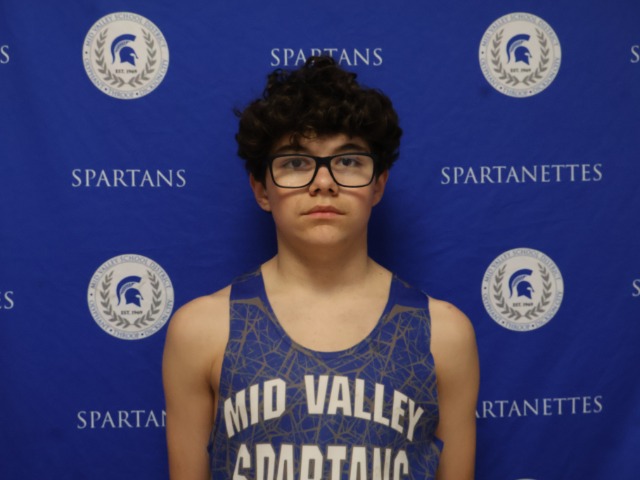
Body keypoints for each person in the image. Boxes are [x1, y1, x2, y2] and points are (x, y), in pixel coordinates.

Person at [162, 56, 479, 480]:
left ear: (378, 185)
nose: (323, 182)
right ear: (261, 189)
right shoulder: (201, 330)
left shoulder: (443, 333)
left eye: (348, 161)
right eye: (296, 162)